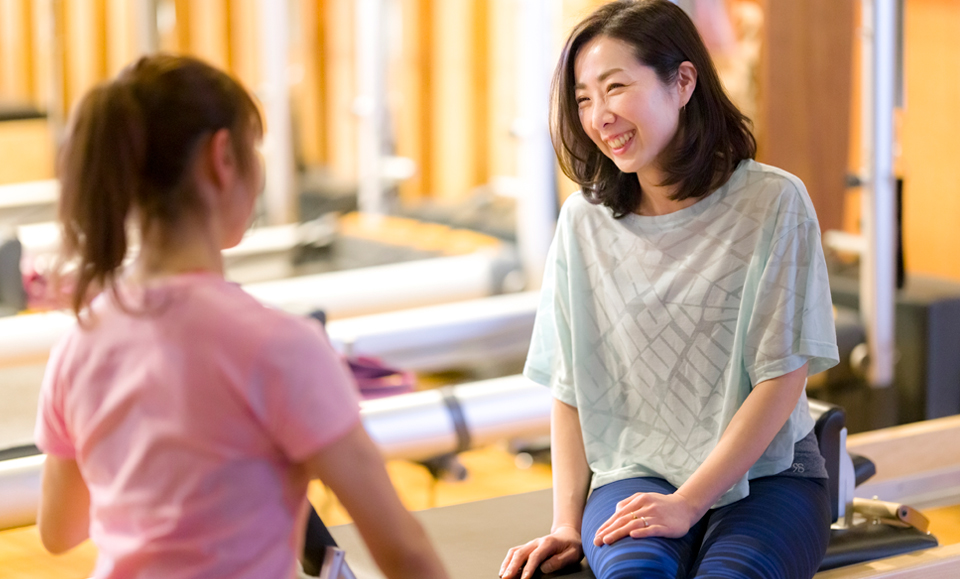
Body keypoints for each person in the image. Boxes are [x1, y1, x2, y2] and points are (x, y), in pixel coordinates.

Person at [34, 54, 448, 579]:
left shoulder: (79, 341)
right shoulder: (280, 345)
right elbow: (404, 552)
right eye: (255, 147)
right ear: (222, 156)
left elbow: (59, 529)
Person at [499, 1, 838, 578]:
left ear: (683, 81)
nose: (599, 115)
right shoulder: (583, 221)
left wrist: (688, 503)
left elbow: (782, 377)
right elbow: (571, 384)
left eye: (615, 88)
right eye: (583, 98)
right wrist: (565, 522)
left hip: (768, 476)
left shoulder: (774, 202)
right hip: (635, 472)